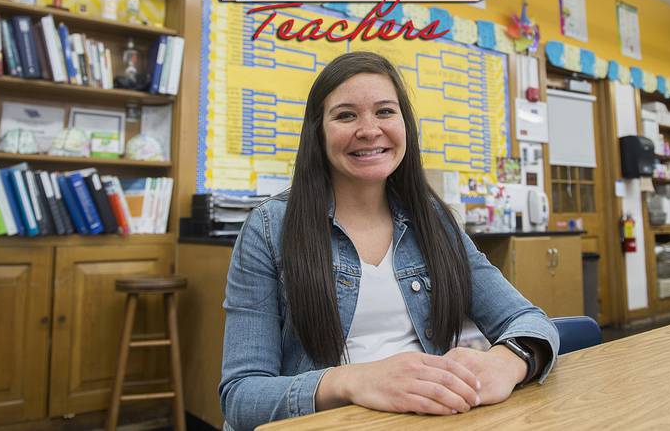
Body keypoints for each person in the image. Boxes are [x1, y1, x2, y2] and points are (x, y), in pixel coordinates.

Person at [219, 51, 559, 431]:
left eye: (384, 112)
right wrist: (355, 381)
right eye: (346, 115)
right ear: (318, 132)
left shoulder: (433, 222)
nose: (369, 130)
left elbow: (529, 320)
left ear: (405, 126)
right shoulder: (268, 229)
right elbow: (241, 397)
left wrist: (506, 361)